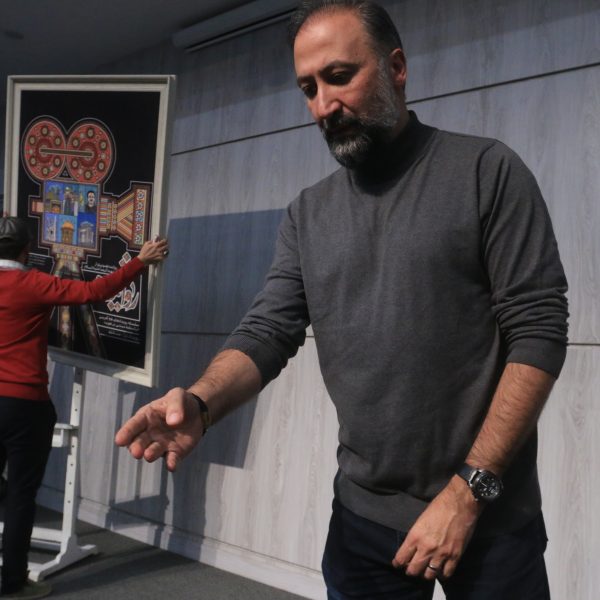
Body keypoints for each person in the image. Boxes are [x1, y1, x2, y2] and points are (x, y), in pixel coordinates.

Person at [115, 1, 568, 598]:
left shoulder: (487, 171)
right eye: (308, 88)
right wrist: (200, 404)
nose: (324, 105)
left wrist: (468, 492)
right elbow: (267, 331)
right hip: (363, 520)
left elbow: (538, 332)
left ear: (396, 67)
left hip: (488, 516)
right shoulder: (308, 213)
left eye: (339, 76)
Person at [0, 216, 168, 599]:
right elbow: (93, 292)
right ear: (26, 251)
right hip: (25, 406)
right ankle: (12, 584)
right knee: (22, 497)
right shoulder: (35, 283)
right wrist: (140, 261)